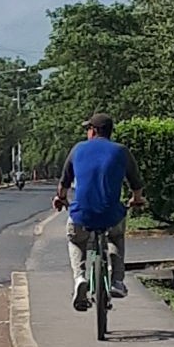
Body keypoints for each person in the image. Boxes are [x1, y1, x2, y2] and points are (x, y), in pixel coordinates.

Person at [52, 112, 145, 311]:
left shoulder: (78, 149)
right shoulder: (121, 151)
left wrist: (60, 199)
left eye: (88, 129)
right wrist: (136, 200)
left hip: (82, 215)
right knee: (116, 237)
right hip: (111, 214)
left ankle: (79, 278)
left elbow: (63, 184)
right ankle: (117, 281)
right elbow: (136, 184)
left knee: (76, 240)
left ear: (93, 131)